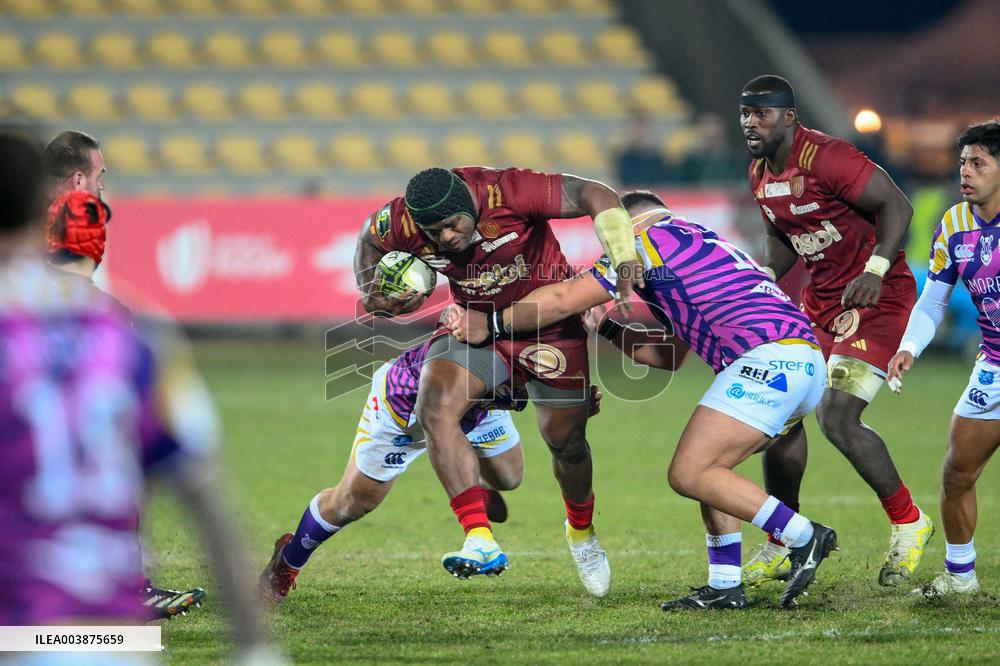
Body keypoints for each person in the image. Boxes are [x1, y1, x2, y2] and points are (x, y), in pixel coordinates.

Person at [445, 190, 836, 610]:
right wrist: (609, 328)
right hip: (800, 360)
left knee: (690, 472)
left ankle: (803, 535)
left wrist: (491, 322)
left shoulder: (642, 244)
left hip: (768, 360)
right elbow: (668, 355)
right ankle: (725, 585)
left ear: (621, 223)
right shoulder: (698, 241)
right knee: (713, 468)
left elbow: (561, 298)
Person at [0, 128, 275, 661]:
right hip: (112, 633)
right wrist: (256, 650)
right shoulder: (135, 334)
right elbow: (207, 493)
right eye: (100, 177)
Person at [352, 166, 639, 597]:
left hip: (550, 327)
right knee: (437, 405)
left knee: (568, 444)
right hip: (475, 327)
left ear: (469, 204)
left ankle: (581, 531)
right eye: (435, 231)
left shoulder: (510, 191)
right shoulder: (400, 222)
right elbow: (368, 239)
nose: (447, 237)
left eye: (453, 225)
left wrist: (623, 253)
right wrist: (373, 291)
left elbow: (595, 192)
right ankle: (479, 538)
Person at [738, 75, 933, 588]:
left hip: (878, 297)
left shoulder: (829, 156)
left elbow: (898, 206)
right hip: (821, 303)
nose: (750, 123)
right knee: (781, 416)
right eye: (745, 114)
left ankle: (909, 522)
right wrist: (760, 282)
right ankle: (785, 540)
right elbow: (782, 236)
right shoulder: (760, 173)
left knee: (838, 414)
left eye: (761, 113)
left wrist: (875, 269)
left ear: (789, 116)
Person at [258, 337, 603, 602]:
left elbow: (543, 384)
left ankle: (464, 482)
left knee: (509, 476)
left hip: (479, 407)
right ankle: (286, 563)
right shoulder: (475, 336)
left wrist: (571, 405)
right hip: (407, 411)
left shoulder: (535, 341)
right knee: (353, 502)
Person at [43, 129, 207, 620]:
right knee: (114, 465)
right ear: (78, 178)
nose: (101, 188)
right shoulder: (71, 224)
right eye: (100, 177)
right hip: (57, 376)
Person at [888, 120, 1000, 597]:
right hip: (993, 365)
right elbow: (934, 301)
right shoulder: (954, 223)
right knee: (957, 472)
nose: (966, 172)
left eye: (978, 163)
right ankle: (960, 579)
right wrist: (909, 347)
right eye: (962, 163)